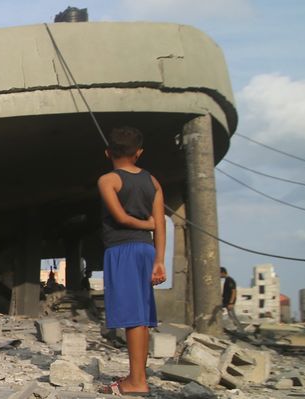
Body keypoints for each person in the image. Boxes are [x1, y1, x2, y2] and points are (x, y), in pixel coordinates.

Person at [96, 126, 166, 396]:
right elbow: (160, 224)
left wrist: (144, 223)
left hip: (121, 249)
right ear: (139, 153)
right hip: (147, 249)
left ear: (107, 152)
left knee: (133, 316)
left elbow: (121, 218)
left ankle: (137, 381)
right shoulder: (153, 181)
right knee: (141, 315)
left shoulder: (108, 180)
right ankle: (137, 376)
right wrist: (159, 259)